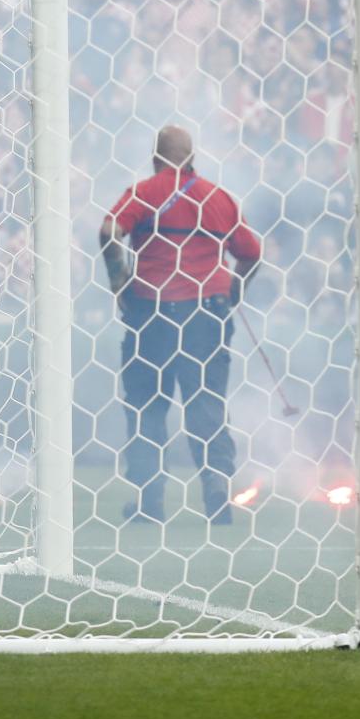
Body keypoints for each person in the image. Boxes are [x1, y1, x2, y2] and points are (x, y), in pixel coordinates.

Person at [99, 125, 261, 524]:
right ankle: (217, 486)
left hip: (152, 313)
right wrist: (234, 289)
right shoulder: (218, 198)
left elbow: (109, 231)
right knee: (206, 402)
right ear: (192, 159)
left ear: (155, 158)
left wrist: (118, 279)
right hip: (207, 312)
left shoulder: (144, 192)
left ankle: (150, 499)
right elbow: (252, 252)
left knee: (148, 407)